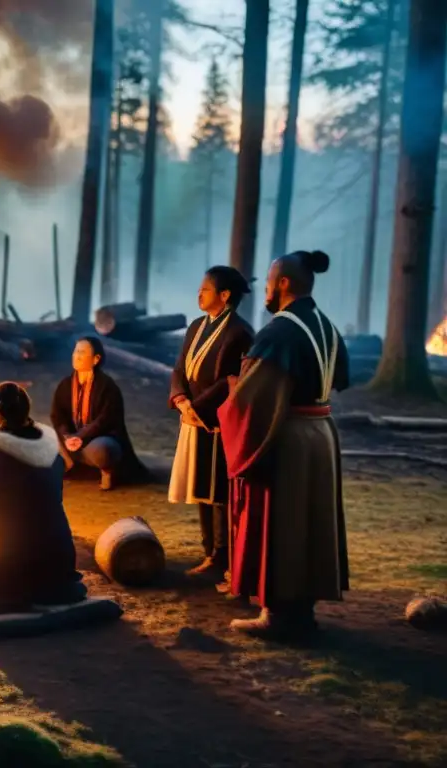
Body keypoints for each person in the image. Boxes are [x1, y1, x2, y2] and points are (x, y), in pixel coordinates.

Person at [218, 250, 350, 639]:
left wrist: (231, 399)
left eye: (270, 279)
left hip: (288, 438)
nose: (266, 288)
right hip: (321, 435)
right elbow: (337, 377)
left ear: (285, 283)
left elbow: (252, 399)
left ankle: (276, 615)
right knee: (308, 524)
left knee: (282, 522)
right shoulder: (325, 325)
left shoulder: (279, 331)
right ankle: (301, 611)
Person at [0, 382, 87, 615]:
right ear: (27, 408)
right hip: (59, 561)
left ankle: (15, 589)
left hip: (14, 563)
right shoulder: (50, 446)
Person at [168, 266, 255, 579]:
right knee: (199, 483)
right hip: (192, 416)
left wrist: (198, 407)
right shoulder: (196, 326)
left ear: (225, 295)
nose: (199, 294)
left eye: (205, 289)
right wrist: (180, 400)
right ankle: (209, 552)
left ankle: (221, 556)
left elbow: (230, 380)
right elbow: (180, 367)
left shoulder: (240, 332)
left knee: (217, 489)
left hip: (217, 420)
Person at [50, 336, 147, 490]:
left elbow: (105, 420)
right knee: (41, 439)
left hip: (94, 441)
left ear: (95, 359)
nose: (76, 356)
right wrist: (67, 436)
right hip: (70, 441)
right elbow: (57, 416)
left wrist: (81, 436)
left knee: (104, 450)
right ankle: (70, 464)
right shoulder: (65, 385)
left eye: (82, 352)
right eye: (75, 352)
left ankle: (107, 471)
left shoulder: (107, 386)